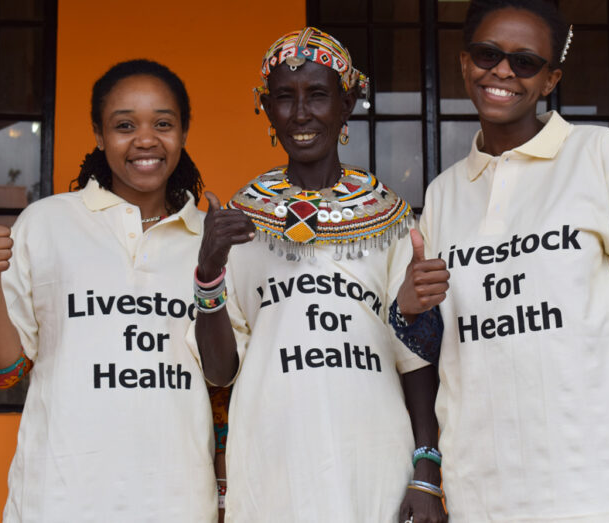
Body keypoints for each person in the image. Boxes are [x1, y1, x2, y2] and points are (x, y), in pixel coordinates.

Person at [393, 1, 609, 521]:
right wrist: (411, 307)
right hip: (482, 490)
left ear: (550, 80)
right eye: (488, 55)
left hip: (594, 486)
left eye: (525, 62)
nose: (502, 71)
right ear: (465, 64)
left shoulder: (598, 153)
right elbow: (445, 347)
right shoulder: (444, 194)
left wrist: (572, 370)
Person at [191, 27, 446, 523]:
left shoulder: (390, 218)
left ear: (347, 104)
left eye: (318, 96)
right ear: (267, 109)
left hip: (375, 467)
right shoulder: (240, 220)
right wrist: (209, 272)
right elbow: (220, 371)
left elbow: (415, 361)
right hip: (273, 471)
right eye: (284, 98)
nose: (301, 113)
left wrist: (426, 470)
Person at [0, 59, 221, 522]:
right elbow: (2, 370)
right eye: (124, 125)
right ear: (99, 135)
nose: (145, 139)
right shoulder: (46, 223)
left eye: (162, 123)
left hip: (177, 503)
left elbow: (224, 381)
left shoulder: (211, 241)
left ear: (183, 132)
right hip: (56, 502)